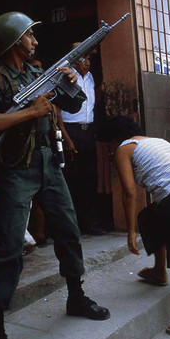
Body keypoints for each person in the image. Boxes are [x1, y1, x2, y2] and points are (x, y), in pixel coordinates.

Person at [0, 12, 110, 339]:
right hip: (17, 170)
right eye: (30, 35)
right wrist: (28, 111)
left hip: (49, 165)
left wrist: (69, 80)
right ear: (15, 40)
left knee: (68, 230)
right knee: (8, 250)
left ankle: (76, 296)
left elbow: (74, 105)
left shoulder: (38, 74)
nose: (35, 41)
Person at [106, 115, 170, 335]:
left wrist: (131, 232)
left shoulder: (124, 149)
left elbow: (129, 192)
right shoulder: (156, 141)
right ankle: (159, 271)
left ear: (115, 140)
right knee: (149, 217)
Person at [57, 51, 105, 235]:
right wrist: (66, 138)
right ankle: (71, 224)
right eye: (84, 58)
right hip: (71, 130)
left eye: (90, 58)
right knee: (71, 178)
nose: (88, 62)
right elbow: (57, 110)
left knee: (89, 177)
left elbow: (95, 100)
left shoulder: (92, 78)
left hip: (88, 130)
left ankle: (90, 223)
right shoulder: (66, 77)